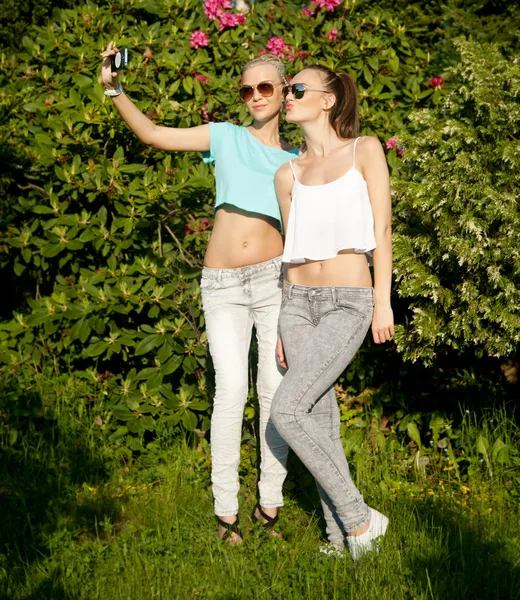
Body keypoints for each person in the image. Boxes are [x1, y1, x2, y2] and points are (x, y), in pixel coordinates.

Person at [100, 43, 298, 544]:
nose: (254, 96)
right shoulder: (227, 136)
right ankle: (226, 512)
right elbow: (153, 134)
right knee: (230, 390)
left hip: (275, 281)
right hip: (224, 285)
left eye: (265, 87)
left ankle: (270, 505)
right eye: (247, 89)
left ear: (283, 92)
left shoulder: (298, 158)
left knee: (274, 392)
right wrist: (114, 88)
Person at [271, 65, 394, 560]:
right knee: (318, 418)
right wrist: (282, 316)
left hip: (349, 300)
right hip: (297, 304)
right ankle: (341, 538)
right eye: (286, 91)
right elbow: (288, 249)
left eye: (296, 89)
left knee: (285, 410)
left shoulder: (365, 149)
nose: (287, 97)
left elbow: (382, 231)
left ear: (327, 100)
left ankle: (361, 519)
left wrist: (382, 301)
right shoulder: (287, 173)